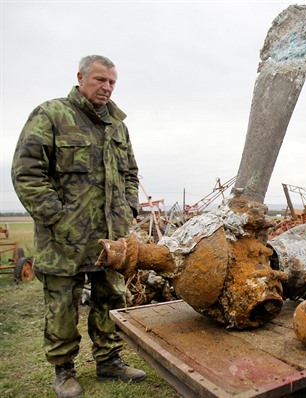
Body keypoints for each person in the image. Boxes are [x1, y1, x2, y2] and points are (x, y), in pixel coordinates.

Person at [11, 55, 146, 398]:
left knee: (110, 299)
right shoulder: (52, 115)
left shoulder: (117, 125)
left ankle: (109, 361)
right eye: (100, 79)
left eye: (112, 82)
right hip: (64, 240)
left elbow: (130, 173)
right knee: (62, 306)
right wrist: (57, 216)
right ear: (81, 78)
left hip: (110, 238)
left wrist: (128, 206)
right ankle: (64, 371)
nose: (107, 87)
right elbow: (27, 172)